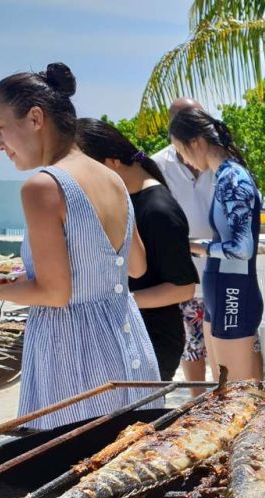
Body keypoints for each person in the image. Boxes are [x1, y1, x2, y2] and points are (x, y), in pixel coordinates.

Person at [0, 63, 160, 429]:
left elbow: (55, 293)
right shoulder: (111, 178)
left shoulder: (43, 187)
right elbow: (136, 267)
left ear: (35, 118)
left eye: (0, 127)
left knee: (67, 466)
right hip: (128, 343)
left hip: (74, 357)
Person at [76, 118, 198, 380]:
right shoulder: (128, 199)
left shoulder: (158, 210)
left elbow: (183, 287)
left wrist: (118, 302)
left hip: (153, 341)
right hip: (130, 336)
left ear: (112, 163)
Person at [168, 108, 264, 381]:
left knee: (237, 393)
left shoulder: (232, 178)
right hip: (221, 290)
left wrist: (201, 247)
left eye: (181, 150)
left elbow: (241, 248)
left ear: (196, 142)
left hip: (232, 291)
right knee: (226, 390)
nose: (182, 158)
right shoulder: (224, 177)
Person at [152, 98, 214, 393]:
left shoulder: (218, 162)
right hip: (182, 273)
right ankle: (196, 403)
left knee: (223, 350)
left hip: (219, 270)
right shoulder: (157, 165)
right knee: (192, 347)